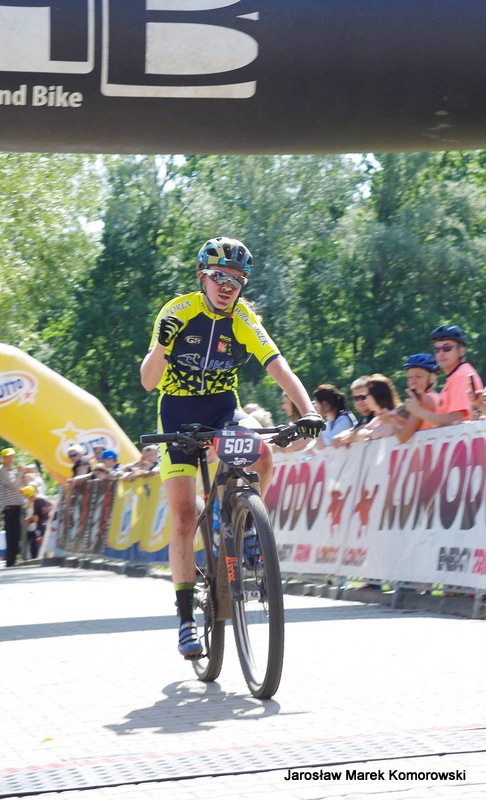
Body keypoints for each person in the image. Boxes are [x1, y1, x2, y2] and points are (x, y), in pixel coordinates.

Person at [140, 236, 324, 658]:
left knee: (263, 452)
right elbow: (149, 381)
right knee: (183, 517)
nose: (227, 286)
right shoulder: (177, 312)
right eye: (219, 276)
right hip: (177, 412)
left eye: (237, 280)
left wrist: (309, 411)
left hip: (224, 409)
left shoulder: (243, 318)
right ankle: (185, 619)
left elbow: (279, 366)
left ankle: (246, 526)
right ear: (201, 277)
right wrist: (162, 345)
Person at [406, 325, 483, 428]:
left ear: (461, 351)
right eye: (437, 350)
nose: (440, 354)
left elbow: (455, 420)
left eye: (446, 348)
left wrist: (419, 412)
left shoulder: (461, 375)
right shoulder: (455, 375)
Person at [382, 354, 440, 444]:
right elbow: (414, 426)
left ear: (432, 378)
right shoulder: (437, 397)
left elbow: (402, 438)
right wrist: (395, 418)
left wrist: (391, 421)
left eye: (418, 376)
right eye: (410, 377)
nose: (412, 382)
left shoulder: (422, 401)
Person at [346, 374, 402, 442]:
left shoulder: (398, 414)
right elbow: (358, 433)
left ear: (376, 396)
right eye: (356, 398)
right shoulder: (378, 419)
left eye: (365, 396)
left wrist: (368, 435)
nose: (364, 400)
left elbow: (382, 431)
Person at [0, 447, 26, 567]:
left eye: (12, 457)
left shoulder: (14, 470)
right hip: (10, 507)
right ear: (3, 458)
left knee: (17, 534)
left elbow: (21, 484)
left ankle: (14, 558)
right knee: (11, 534)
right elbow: (13, 484)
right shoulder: (2, 471)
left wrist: (21, 474)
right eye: (8, 457)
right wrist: (20, 472)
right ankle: (10, 561)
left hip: (18, 505)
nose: (10, 459)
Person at [332, 376, 374, 448]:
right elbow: (356, 429)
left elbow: (370, 428)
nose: (360, 401)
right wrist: (340, 437)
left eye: (363, 397)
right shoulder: (364, 417)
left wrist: (350, 437)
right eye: (356, 398)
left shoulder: (379, 414)